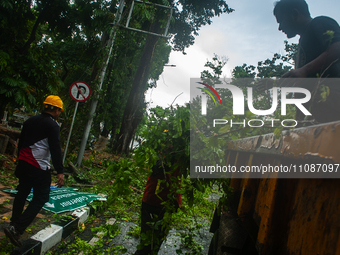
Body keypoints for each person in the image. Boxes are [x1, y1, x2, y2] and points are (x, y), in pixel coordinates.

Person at [4, 95, 65, 246]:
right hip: (38, 166)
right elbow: (55, 149)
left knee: (22, 192)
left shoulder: (30, 120)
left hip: (24, 163)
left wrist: (19, 161)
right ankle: (17, 229)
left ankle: (13, 223)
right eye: (59, 110)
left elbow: (22, 141)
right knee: (41, 197)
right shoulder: (53, 125)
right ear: (57, 110)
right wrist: (60, 171)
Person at [273, 0, 340, 123]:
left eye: (281, 21)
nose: (280, 27)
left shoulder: (320, 22)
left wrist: (304, 70)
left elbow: (337, 48)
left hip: (333, 102)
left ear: (294, 14)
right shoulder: (303, 42)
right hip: (317, 112)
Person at [134, 157, 182, 255]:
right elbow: (156, 169)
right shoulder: (161, 152)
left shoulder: (181, 151)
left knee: (156, 244)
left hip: (169, 203)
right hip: (153, 201)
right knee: (146, 246)